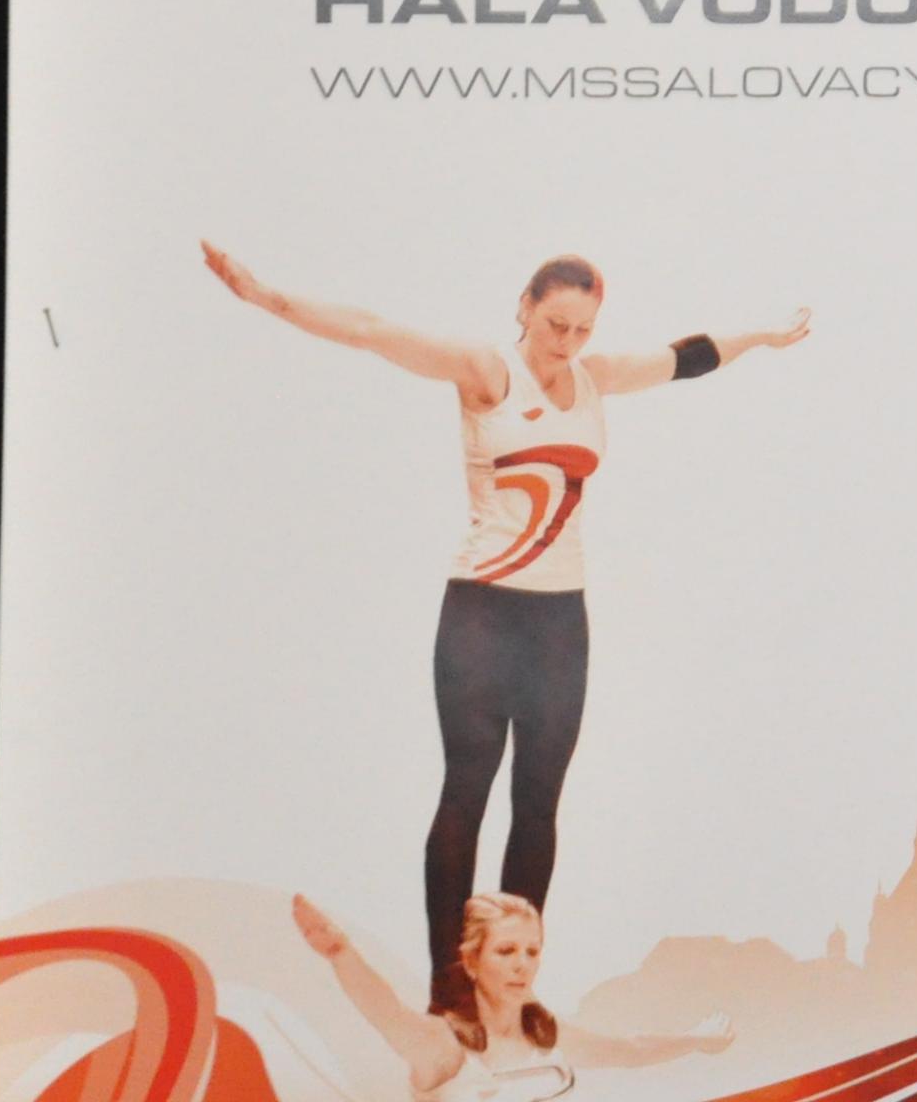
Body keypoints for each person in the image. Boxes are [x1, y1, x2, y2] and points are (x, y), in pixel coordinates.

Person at [205, 244, 810, 1001]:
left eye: (583, 330)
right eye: (556, 325)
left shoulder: (595, 378)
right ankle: (448, 984)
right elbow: (370, 330)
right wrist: (267, 297)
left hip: (559, 622)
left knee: (538, 804)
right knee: (467, 791)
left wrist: (762, 336)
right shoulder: (486, 372)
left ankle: (508, 991)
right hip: (483, 614)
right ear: (526, 306)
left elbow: (686, 357)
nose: (567, 343)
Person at [292, 892, 732, 1096]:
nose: (522, 963)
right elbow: (385, 1011)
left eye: (531, 951)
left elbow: (630, 1050)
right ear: (472, 961)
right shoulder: (443, 1045)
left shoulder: (549, 1038)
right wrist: (340, 952)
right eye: (505, 951)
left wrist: (697, 1039)